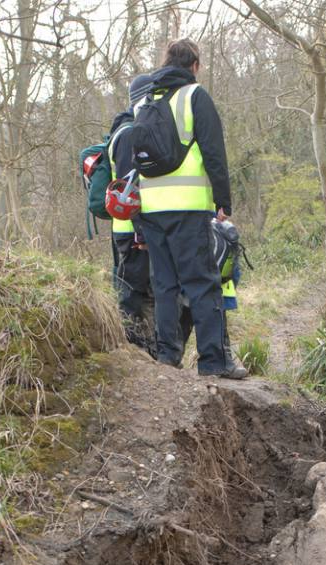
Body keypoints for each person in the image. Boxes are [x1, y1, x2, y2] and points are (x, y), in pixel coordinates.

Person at [135, 38, 247, 379]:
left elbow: (133, 159)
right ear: (194, 65)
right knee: (201, 282)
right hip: (188, 207)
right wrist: (223, 200)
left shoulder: (145, 101)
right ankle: (213, 361)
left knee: (165, 285)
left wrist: (138, 215)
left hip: (151, 208)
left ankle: (168, 358)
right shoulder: (194, 96)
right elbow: (214, 151)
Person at [108, 74, 156, 357]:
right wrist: (141, 232)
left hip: (131, 228)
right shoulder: (128, 135)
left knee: (141, 292)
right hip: (131, 232)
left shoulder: (127, 131)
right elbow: (129, 189)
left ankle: (146, 353)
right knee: (133, 294)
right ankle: (137, 354)